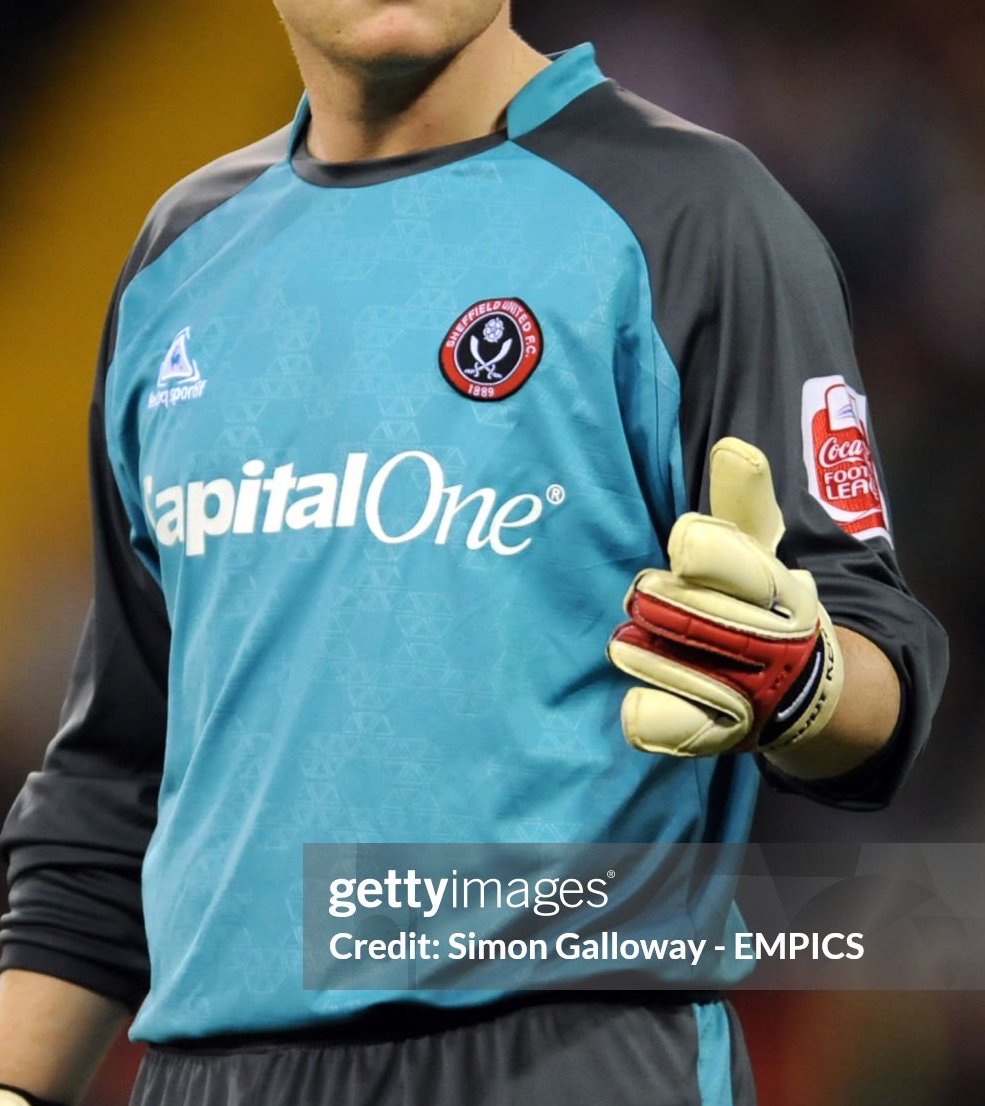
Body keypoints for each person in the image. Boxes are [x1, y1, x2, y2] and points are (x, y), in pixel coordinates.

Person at [0, 2, 947, 1104]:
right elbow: (118, 773)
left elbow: (879, 668)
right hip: (210, 1075)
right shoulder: (180, 257)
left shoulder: (692, 214)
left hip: (565, 1057)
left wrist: (802, 679)